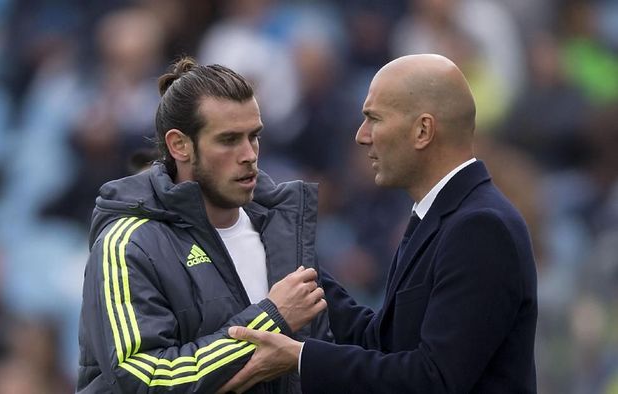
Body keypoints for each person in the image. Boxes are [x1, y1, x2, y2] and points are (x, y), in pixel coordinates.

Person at [221, 54, 538, 393]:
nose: (361, 136)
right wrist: (291, 262)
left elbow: (434, 380)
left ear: (423, 130)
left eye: (374, 119)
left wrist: (301, 357)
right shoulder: (442, 214)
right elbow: (381, 343)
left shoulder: (480, 228)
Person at [76, 57, 330, 393]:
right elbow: (143, 381)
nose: (249, 154)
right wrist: (271, 318)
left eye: (253, 136)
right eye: (228, 140)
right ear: (179, 145)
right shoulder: (127, 245)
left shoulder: (284, 226)